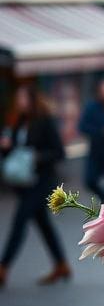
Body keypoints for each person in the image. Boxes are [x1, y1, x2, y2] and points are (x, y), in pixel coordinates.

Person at [0, 84, 70, 287]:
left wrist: (36, 157)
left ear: (32, 99)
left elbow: (59, 152)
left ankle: (3, 267)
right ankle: (61, 264)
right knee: (43, 224)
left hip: (41, 182)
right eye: (18, 99)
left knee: (20, 221)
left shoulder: (45, 121)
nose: (20, 102)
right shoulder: (19, 121)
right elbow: (16, 151)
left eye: (23, 98)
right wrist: (6, 147)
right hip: (25, 183)